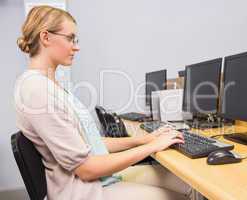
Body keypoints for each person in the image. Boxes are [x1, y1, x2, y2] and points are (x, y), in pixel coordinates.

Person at [14, 6, 191, 200]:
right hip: (85, 191)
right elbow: (86, 169)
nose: (76, 46)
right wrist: (151, 147)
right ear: (46, 37)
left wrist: (142, 140)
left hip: (98, 180)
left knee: (188, 183)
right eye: (70, 38)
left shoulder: (49, 85)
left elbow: (90, 144)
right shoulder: (37, 91)